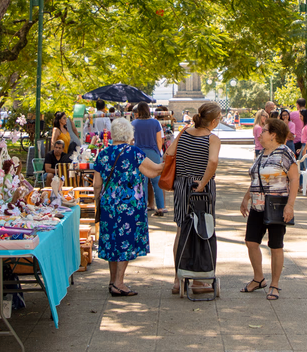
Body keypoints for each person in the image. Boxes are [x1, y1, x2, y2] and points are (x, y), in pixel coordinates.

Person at [92, 117, 162, 297]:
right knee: (125, 242)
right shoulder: (134, 153)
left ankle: (112, 280)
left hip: (108, 204)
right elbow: (154, 170)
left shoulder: (103, 153)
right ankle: (119, 283)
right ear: (129, 133)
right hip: (129, 205)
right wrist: (170, 159)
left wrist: (98, 202)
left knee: (112, 241)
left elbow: (97, 184)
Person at [164, 101, 222, 295]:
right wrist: (203, 183)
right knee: (202, 229)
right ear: (213, 121)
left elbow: (169, 153)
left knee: (181, 229)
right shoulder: (212, 139)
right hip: (201, 188)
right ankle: (198, 279)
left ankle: (177, 279)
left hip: (182, 186)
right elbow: (212, 161)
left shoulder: (184, 132)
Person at [240, 118, 297, 301]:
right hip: (257, 206)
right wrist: (246, 198)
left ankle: (274, 284)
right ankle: (259, 279)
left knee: (275, 245)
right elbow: (256, 179)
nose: (260, 134)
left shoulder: (285, 153)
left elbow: (294, 180)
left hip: (276, 206)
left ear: (273, 135)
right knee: (251, 242)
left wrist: (290, 205)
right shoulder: (262, 154)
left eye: (264, 131)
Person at [132, 102, 167, 216]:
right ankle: (161, 207)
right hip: (153, 153)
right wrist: (158, 152)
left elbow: (132, 141)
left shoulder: (134, 123)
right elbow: (159, 140)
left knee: (142, 181)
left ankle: (143, 207)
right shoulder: (155, 123)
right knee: (157, 181)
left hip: (138, 154)